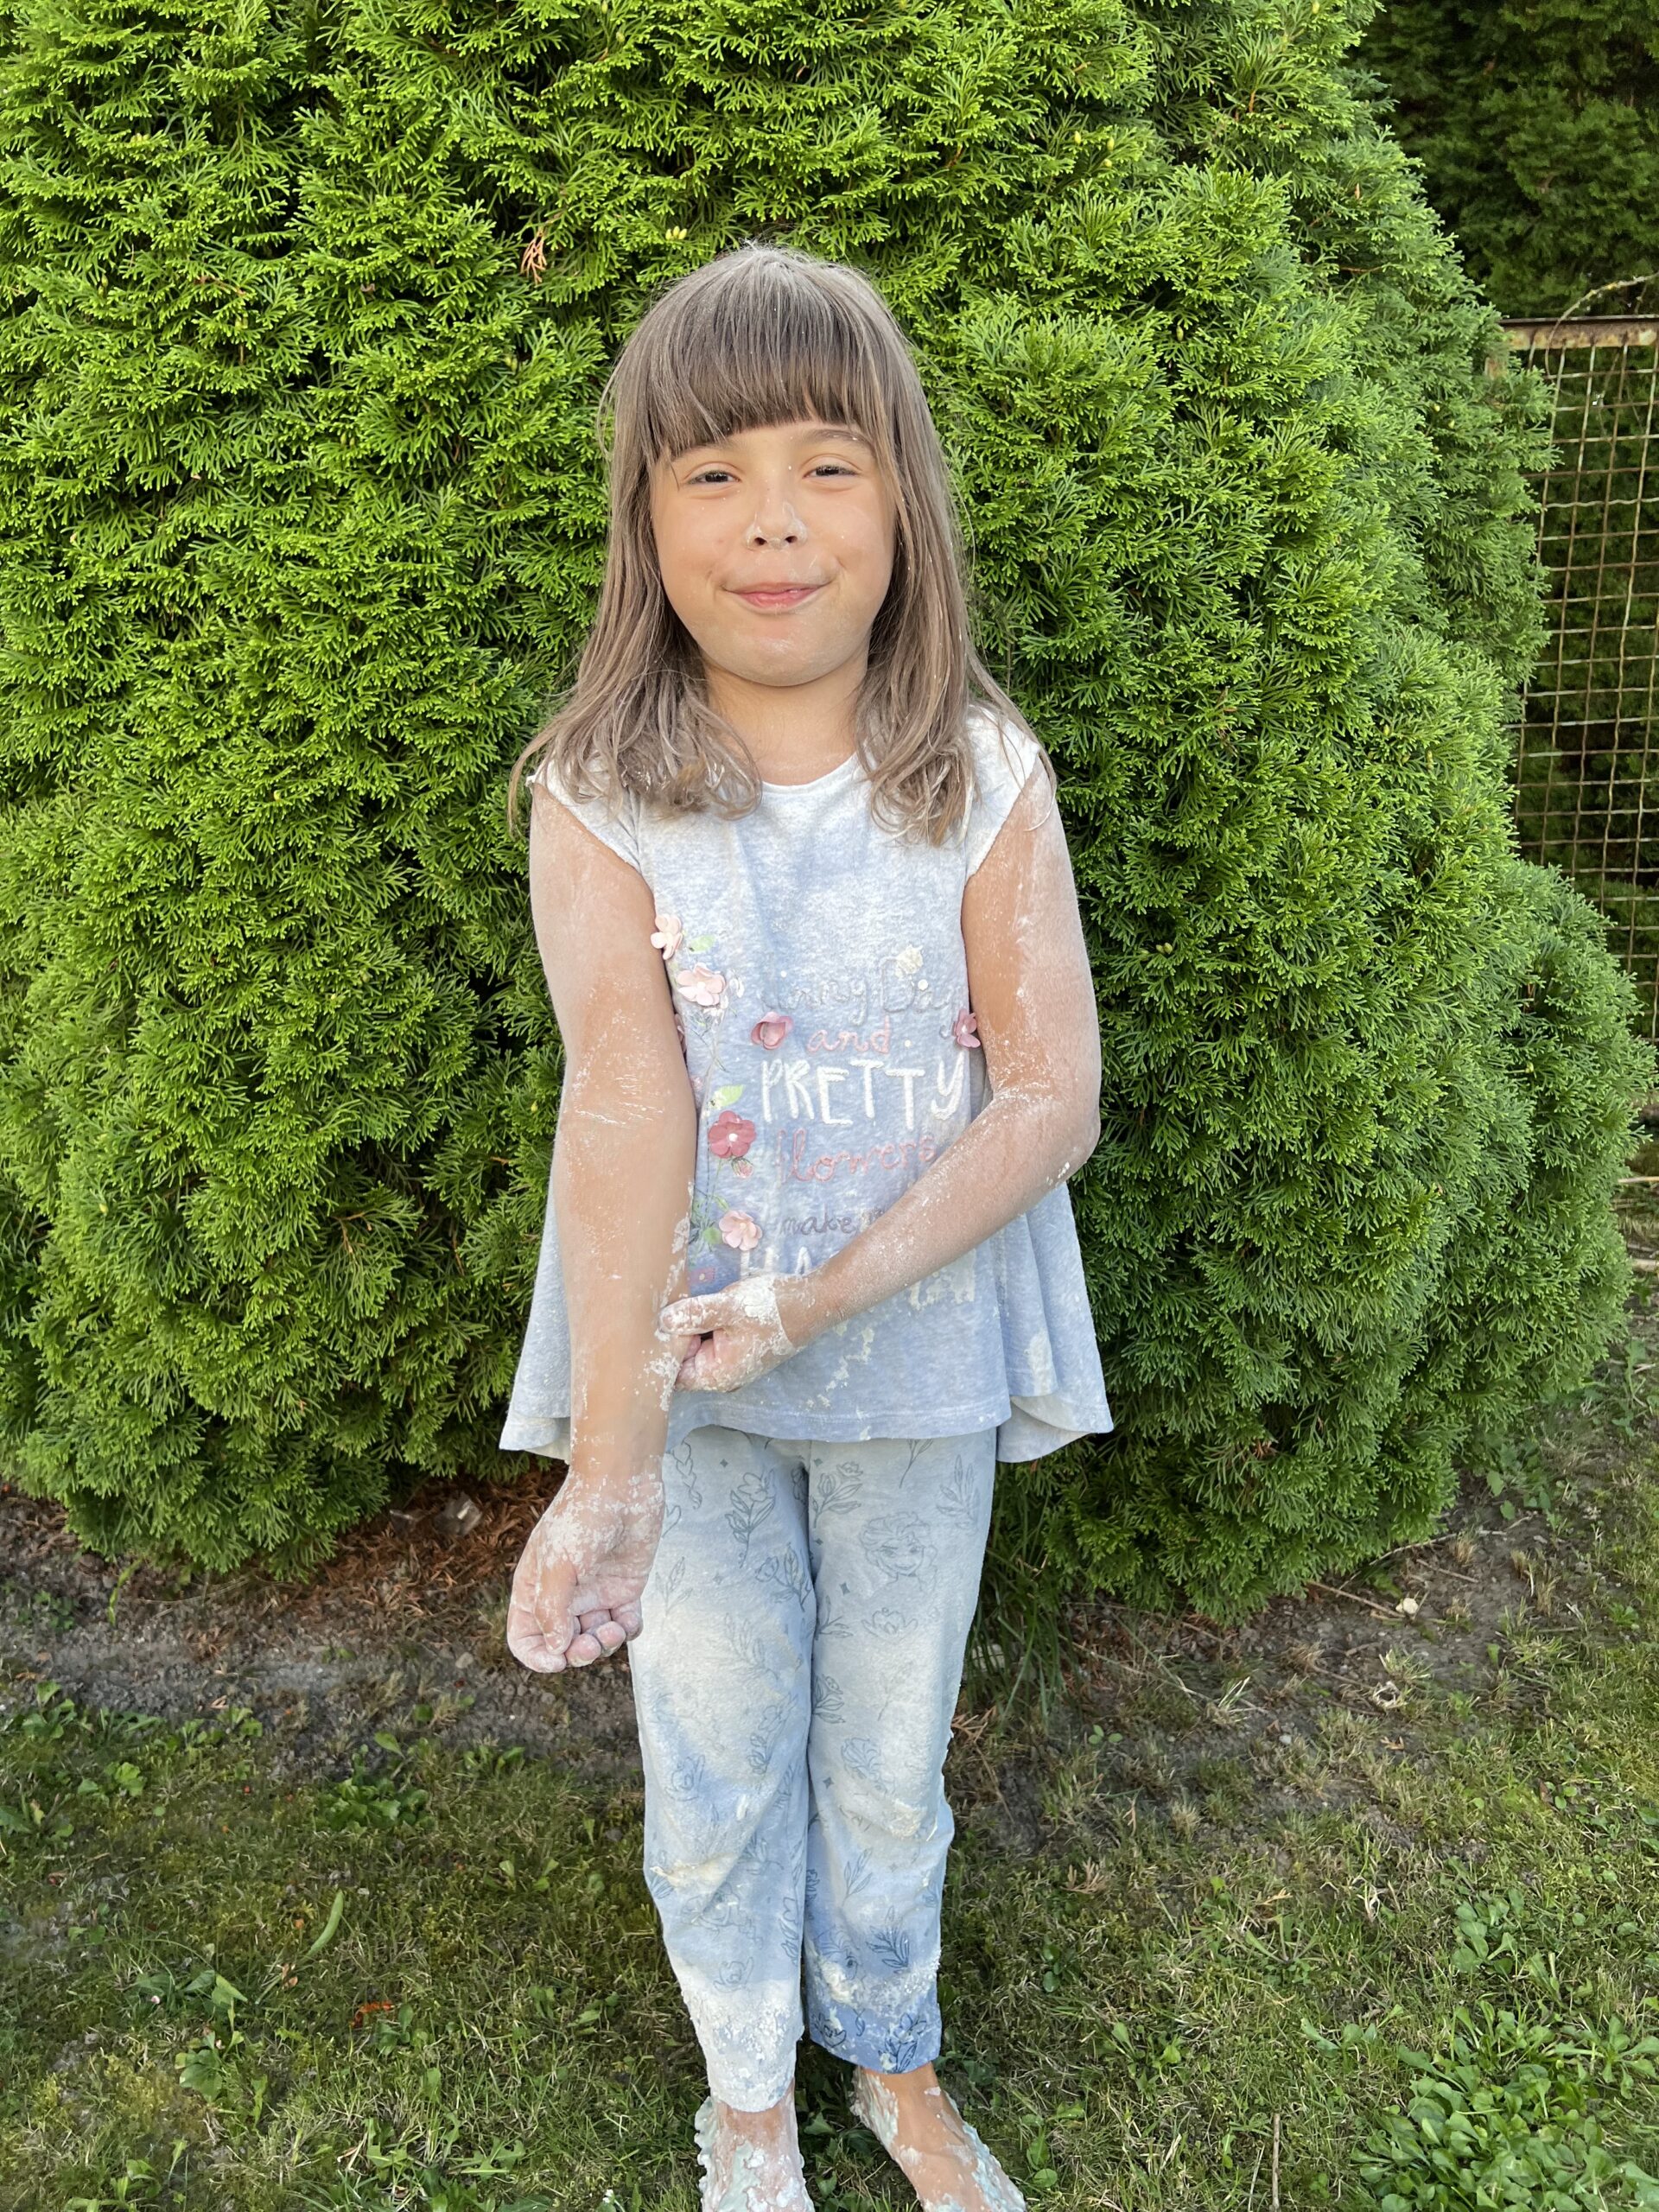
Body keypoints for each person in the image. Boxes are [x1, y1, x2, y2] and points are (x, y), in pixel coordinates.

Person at [498, 240, 1112, 2212]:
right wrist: (610, 1473)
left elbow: (1051, 1094)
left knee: (884, 1750)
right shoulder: (600, 793)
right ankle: (749, 2091)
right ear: (647, 523)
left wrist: (823, 1294)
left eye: (827, 465)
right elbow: (626, 1100)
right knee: (718, 1747)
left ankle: (891, 2056)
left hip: (914, 1365)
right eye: (715, 473)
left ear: (903, 503)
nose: (773, 520)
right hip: (679, 1381)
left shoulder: (982, 778)